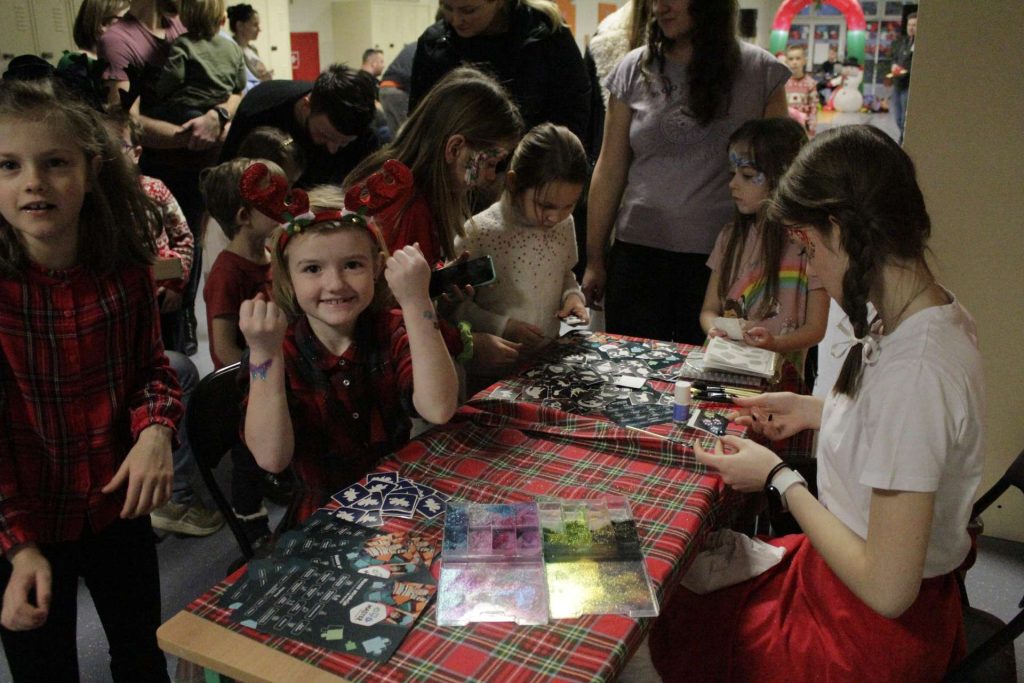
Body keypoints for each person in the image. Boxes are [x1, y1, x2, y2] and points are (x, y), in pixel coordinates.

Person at [650, 125, 984, 681]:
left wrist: (779, 478)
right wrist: (813, 410)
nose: (808, 268)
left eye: (807, 248)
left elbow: (887, 589)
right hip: (839, 585)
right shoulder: (924, 317)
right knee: (690, 597)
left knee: (673, 625)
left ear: (841, 230)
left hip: (866, 636)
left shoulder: (919, 373)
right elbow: (905, 436)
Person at [0, 79, 182, 681]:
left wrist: (155, 432)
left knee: (141, 655)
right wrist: (19, 546)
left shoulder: (123, 271)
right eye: (8, 165)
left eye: (55, 162)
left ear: (91, 168)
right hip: (23, 526)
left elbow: (152, 371)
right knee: (43, 670)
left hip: (115, 508)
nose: (33, 182)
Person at [237, 177, 459, 526]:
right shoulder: (281, 350)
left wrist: (417, 301)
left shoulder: (392, 329)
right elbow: (271, 458)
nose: (335, 284)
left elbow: (439, 407)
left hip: (398, 502)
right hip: (322, 519)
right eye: (312, 269)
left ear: (377, 267)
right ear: (288, 278)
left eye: (353, 265)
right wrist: (264, 354)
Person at [582, 0, 790, 345]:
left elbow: (780, 175)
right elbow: (610, 168)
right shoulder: (633, 69)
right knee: (633, 371)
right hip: (638, 257)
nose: (659, 6)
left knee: (709, 374)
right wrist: (594, 259)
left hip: (725, 262)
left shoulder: (761, 73)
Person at [344, 67, 525, 377]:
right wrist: (467, 344)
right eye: (491, 163)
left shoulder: (399, 184)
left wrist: (435, 280)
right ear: (455, 148)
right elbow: (391, 311)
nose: (489, 177)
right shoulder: (406, 205)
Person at [199, 157, 289, 545]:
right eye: (275, 201)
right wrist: (266, 367)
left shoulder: (271, 256)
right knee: (248, 456)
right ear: (244, 216)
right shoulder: (228, 271)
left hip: (277, 374)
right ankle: (250, 524)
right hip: (245, 387)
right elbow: (223, 348)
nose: (286, 206)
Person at [699, 117, 827, 381]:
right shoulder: (730, 238)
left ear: (783, 177)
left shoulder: (809, 245)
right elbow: (708, 310)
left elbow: (816, 328)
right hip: (723, 370)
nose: (733, 184)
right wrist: (714, 329)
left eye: (747, 176)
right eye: (732, 174)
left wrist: (774, 342)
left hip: (779, 380)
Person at [454, 123, 589, 359]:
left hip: (546, 359)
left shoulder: (564, 224)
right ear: (514, 183)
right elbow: (455, 307)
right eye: (545, 205)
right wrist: (502, 326)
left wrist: (572, 298)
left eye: (569, 206)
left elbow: (565, 274)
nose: (555, 217)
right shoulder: (480, 233)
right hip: (492, 366)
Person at [410, 0, 591, 146]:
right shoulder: (434, 45)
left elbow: (574, 110)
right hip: (455, 171)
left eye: (468, 10)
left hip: (533, 167)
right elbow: (420, 125)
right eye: (447, 7)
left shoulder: (546, 33)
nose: (456, 20)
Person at [219, 63, 378, 189]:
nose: (332, 149)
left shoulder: (364, 133)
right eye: (324, 135)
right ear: (305, 106)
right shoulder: (262, 107)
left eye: (344, 143)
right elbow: (228, 176)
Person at [150, 0, 246, 126]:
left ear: (183, 18)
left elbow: (174, 76)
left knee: (149, 113)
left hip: (188, 110)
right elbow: (241, 83)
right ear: (222, 20)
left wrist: (159, 90)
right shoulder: (234, 48)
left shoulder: (182, 43)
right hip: (220, 110)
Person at [227, 3, 272, 89]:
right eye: (255, 25)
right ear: (240, 26)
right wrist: (261, 81)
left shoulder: (253, 49)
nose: (259, 29)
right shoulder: (232, 51)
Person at [378, 42, 416, 139]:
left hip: (384, 89)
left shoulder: (413, 46)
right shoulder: (426, 49)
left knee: (395, 136)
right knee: (408, 134)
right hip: (398, 91)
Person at [890, 11, 916, 143]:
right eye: (909, 25)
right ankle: (902, 138)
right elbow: (895, 57)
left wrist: (905, 71)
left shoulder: (919, 45)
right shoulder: (903, 42)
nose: (911, 28)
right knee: (897, 116)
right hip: (897, 84)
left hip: (908, 85)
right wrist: (894, 66)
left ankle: (903, 140)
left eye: (914, 25)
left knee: (905, 118)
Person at [784, 45, 818, 137]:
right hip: (786, 126)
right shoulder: (783, 83)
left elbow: (813, 106)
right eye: (791, 59)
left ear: (804, 61)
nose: (794, 62)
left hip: (803, 128)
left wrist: (811, 128)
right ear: (786, 61)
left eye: (798, 58)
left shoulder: (810, 83)